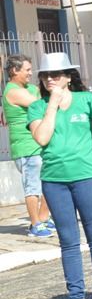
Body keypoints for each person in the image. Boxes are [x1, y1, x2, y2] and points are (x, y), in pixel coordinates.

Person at [27, 52, 92, 299]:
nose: (50, 79)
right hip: (54, 180)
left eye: (56, 74)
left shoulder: (87, 99)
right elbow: (42, 138)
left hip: (89, 175)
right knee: (68, 241)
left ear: (68, 77)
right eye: (45, 75)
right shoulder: (37, 107)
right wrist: (52, 104)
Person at [2, 54, 53, 238]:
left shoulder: (30, 88)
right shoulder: (13, 91)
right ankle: (35, 225)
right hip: (26, 148)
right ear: (14, 71)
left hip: (40, 144)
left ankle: (43, 218)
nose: (31, 73)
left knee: (49, 183)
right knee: (33, 187)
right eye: (27, 70)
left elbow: (44, 99)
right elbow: (42, 105)